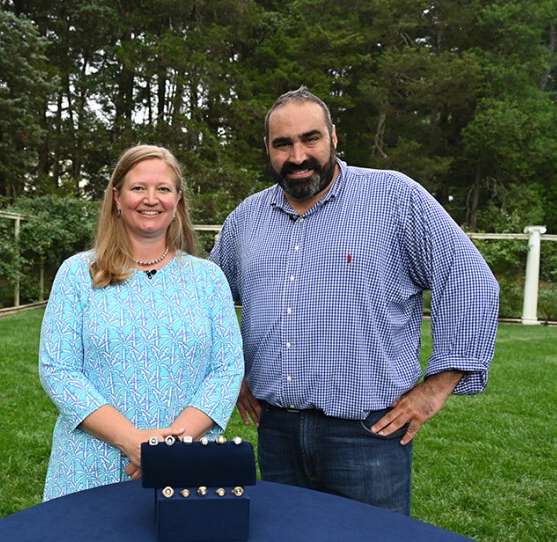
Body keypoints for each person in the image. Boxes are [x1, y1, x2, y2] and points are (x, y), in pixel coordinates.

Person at [209, 87, 499, 516]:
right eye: (282, 144)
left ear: (334, 137)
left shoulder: (395, 198)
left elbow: (470, 281)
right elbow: (208, 302)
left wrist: (437, 388)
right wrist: (231, 373)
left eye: (311, 139)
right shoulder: (247, 218)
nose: (297, 156)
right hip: (277, 432)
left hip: (369, 435)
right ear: (268, 149)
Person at [39, 144, 244, 501]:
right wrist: (133, 443)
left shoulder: (208, 279)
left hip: (186, 461)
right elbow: (58, 369)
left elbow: (227, 370)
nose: (151, 199)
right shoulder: (77, 274)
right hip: (92, 463)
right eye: (138, 188)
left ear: (177, 200)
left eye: (163, 189)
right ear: (117, 198)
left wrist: (171, 446)